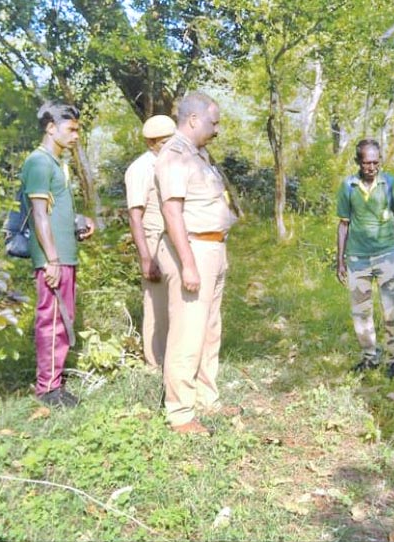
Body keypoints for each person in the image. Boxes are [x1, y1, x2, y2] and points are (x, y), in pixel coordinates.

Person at [154, 92, 238, 435]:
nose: (216, 129)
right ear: (192, 120)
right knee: (188, 332)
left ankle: (205, 396)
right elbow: (172, 211)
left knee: (209, 329)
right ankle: (180, 412)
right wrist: (188, 264)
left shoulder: (199, 156)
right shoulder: (173, 155)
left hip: (213, 249)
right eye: (213, 122)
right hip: (192, 250)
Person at [22, 102, 95, 408]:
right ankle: (47, 389)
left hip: (66, 254)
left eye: (78, 129)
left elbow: (54, 211)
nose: (77, 135)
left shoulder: (56, 163)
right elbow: (38, 214)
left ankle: (55, 382)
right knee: (51, 320)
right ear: (51, 128)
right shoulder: (39, 162)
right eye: (72, 129)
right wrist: (51, 259)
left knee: (64, 319)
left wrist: (80, 223)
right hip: (53, 258)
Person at [336, 139, 394, 378]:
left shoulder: (391, 183)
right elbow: (343, 224)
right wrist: (340, 260)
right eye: (367, 162)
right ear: (358, 162)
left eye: (376, 162)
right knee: (361, 312)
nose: (372, 167)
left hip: (386, 255)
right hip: (357, 258)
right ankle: (370, 356)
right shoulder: (348, 186)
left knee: (391, 310)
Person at [124, 114, 177, 371]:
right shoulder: (140, 168)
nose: (169, 145)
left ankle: (174, 359)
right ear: (151, 142)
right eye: (164, 141)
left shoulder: (174, 164)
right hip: (153, 240)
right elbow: (135, 216)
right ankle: (154, 363)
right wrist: (146, 258)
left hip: (174, 240)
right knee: (156, 306)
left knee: (175, 305)